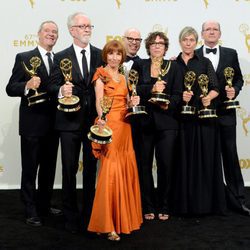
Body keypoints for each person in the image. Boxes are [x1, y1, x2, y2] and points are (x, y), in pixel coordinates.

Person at [48, 12, 102, 233]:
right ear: (71, 30)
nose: (87, 29)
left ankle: (90, 214)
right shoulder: (60, 56)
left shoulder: (101, 54)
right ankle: (70, 215)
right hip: (68, 122)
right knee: (69, 170)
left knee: (90, 170)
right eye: (82, 26)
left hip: (93, 123)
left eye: (89, 26)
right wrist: (61, 89)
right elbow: (51, 86)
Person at [6, 21, 61, 227]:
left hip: (54, 123)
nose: (51, 34)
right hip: (32, 124)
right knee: (30, 168)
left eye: (54, 32)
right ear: (38, 34)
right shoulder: (24, 58)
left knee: (48, 168)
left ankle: (44, 204)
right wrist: (27, 85)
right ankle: (30, 208)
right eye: (47, 31)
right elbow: (10, 88)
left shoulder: (61, 60)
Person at [87, 40, 142, 241]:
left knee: (124, 168)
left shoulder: (125, 76)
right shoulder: (100, 74)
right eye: (111, 54)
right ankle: (107, 223)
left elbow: (125, 101)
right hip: (109, 125)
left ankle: (125, 218)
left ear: (122, 57)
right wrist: (101, 120)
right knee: (110, 170)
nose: (114, 58)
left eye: (118, 54)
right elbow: (99, 100)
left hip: (125, 125)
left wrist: (132, 102)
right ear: (105, 55)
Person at [196, 20, 250, 215]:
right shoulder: (194, 54)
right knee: (206, 157)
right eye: (208, 29)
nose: (211, 32)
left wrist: (234, 90)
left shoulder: (231, 53)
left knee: (230, 155)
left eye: (215, 29)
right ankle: (209, 199)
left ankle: (238, 199)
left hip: (226, 113)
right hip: (203, 114)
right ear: (202, 34)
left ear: (220, 33)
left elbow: (239, 79)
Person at [172, 26, 227, 215]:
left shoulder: (204, 62)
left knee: (203, 161)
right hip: (180, 119)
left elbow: (215, 86)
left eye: (192, 40)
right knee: (182, 162)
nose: (188, 43)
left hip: (202, 120)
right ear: (180, 42)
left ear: (197, 42)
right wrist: (181, 99)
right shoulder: (172, 63)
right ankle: (181, 205)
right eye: (185, 40)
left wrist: (209, 98)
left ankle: (204, 204)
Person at [131, 31, 183, 221]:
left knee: (166, 165)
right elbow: (134, 88)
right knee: (144, 166)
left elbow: (178, 94)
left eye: (161, 43)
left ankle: (165, 205)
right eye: (153, 43)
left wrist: (168, 102)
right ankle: (148, 205)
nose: (157, 46)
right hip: (144, 122)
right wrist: (151, 89)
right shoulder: (140, 64)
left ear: (166, 47)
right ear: (148, 46)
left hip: (168, 123)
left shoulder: (174, 67)